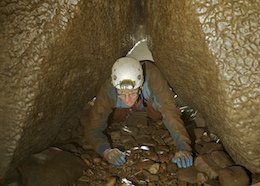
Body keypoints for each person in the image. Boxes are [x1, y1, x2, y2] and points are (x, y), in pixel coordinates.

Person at [84, 57, 193, 168]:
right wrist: (106, 151)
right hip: (131, 100)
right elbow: (93, 128)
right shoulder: (108, 90)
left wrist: (184, 147)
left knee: (158, 117)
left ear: (140, 86)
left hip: (148, 99)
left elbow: (170, 113)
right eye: (121, 93)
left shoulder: (153, 77)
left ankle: (143, 106)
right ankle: (132, 104)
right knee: (116, 118)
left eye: (131, 93)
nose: (127, 98)